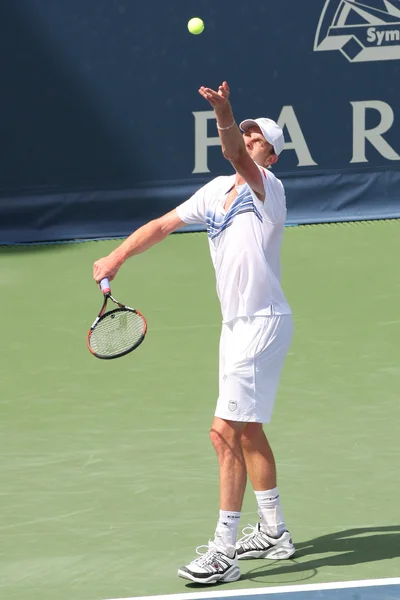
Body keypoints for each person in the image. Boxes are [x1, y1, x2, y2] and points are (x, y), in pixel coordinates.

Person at [93, 81, 295, 585]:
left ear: (269, 158)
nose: (247, 143)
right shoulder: (214, 193)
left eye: (256, 141)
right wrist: (117, 256)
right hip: (236, 327)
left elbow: (232, 152)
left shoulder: (266, 188)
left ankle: (224, 552)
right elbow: (162, 225)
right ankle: (274, 533)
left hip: (262, 323)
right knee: (248, 431)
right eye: (245, 136)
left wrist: (225, 113)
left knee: (222, 433)